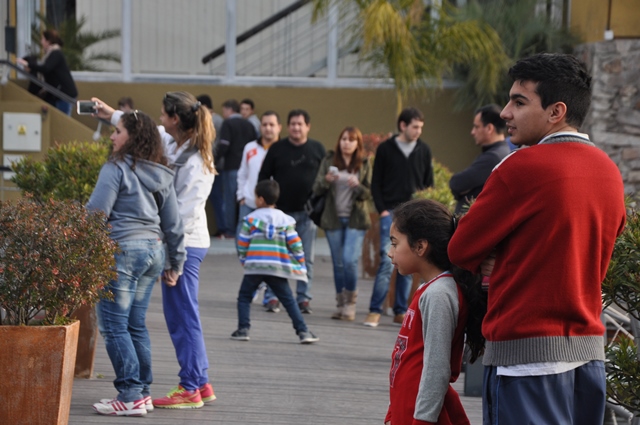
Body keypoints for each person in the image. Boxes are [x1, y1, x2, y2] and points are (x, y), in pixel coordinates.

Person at [448, 53, 626, 425]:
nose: (506, 114)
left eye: (519, 102)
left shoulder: (520, 168)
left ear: (555, 111)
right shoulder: (610, 173)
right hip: (589, 358)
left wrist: (500, 254)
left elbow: (461, 248)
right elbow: (589, 248)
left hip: (524, 360)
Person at [92, 91, 217, 410]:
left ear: (175, 119)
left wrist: (169, 256)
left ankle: (190, 384)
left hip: (184, 243)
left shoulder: (196, 161)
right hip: (165, 243)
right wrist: (110, 114)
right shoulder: (173, 141)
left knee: (182, 316)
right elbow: (145, 128)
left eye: (164, 114)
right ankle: (199, 382)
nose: (160, 119)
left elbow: (183, 215)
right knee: (159, 318)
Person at [87, 110, 186, 417]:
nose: (113, 136)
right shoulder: (161, 171)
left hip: (124, 252)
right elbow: (174, 223)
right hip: (153, 253)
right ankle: (141, 393)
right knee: (134, 324)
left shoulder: (116, 167)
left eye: (117, 131)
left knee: (114, 326)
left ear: (132, 136)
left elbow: (96, 213)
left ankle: (130, 394)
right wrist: (176, 262)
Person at [385, 199, 484, 425]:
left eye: (394, 243)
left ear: (420, 246)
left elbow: (436, 369)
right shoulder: (429, 289)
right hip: (408, 410)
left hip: (423, 417)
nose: (390, 253)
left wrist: (423, 420)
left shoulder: (439, 294)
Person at [365, 107, 434, 328]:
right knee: (388, 261)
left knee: (408, 262)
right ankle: (375, 310)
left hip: (413, 214)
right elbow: (376, 182)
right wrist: (382, 209)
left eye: (421, 127)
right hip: (390, 213)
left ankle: (400, 311)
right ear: (403, 126)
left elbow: (428, 184)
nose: (418, 131)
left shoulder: (424, 150)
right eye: (415, 126)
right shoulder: (386, 149)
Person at [232, 180, 320, 344]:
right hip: (277, 267)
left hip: (255, 266)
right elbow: (296, 243)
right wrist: (300, 261)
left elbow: (242, 242)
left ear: (261, 200)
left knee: (244, 297)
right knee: (288, 300)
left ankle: (243, 329)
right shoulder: (285, 220)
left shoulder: (250, 219)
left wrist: (245, 260)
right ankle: (303, 331)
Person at [258, 109, 326, 314]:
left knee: (305, 257)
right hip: (279, 215)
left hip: (307, 215)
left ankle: (303, 298)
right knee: (276, 257)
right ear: (288, 127)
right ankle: (271, 297)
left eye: (300, 124)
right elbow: (263, 177)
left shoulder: (317, 149)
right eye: (293, 124)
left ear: (308, 126)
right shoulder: (277, 149)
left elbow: (324, 181)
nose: (296, 127)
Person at [312, 126, 372, 321]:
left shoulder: (363, 163)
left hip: (355, 219)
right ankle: (340, 304)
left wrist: (358, 186)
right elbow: (316, 187)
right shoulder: (329, 161)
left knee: (349, 260)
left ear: (357, 144)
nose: (346, 143)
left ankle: (351, 304)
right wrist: (326, 180)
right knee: (338, 264)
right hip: (333, 219)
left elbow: (370, 193)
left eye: (351, 140)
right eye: (344, 139)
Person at [236, 111, 282, 311]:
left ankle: (271, 295)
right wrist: (241, 196)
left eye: (272, 124)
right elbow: (242, 174)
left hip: (273, 208)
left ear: (279, 127)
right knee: (243, 244)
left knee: (273, 252)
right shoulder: (250, 148)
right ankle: (254, 282)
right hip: (250, 204)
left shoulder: (282, 149)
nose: (268, 128)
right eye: (264, 124)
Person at [449, 104, 511, 214]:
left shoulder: (493, 157)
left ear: (489, 128)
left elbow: (456, 184)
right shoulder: (500, 152)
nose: (472, 132)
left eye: (476, 127)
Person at [218, 99, 258, 238]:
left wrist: (214, 161)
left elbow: (224, 145)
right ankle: (247, 229)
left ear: (230, 110)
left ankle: (230, 230)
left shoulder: (228, 123)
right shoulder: (249, 124)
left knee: (229, 200)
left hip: (232, 166)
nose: (224, 114)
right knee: (245, 199)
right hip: (248, 167)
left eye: (224, 111)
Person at [17, 29, 77, 115]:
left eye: (42, 39)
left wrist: (28, 64)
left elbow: (46, 68)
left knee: (61, 120)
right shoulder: (51, 54)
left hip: (64, 94)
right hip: (58, 94)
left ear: (48, 41)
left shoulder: (56, 53)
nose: (41, 42)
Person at [197, 94, 226, 238]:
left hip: (211, 162)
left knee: (215, 197)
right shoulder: (220, 119)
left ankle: (222, 227)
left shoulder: (210, 120)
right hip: (215, 162)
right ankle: (222, 227)